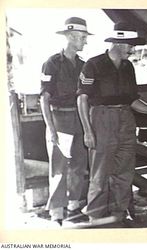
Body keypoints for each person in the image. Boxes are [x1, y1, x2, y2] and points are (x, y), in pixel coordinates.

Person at [77, 21, 147, 223]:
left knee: (124, 172)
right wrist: (88, 131)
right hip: (102, 119)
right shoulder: (93, 64)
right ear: (118, 43)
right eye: (130, 45)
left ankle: (118, 214)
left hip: (126, 120)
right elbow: (82, 98)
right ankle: (96, 217)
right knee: (100, 174)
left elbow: (132, 100)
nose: (133, 49)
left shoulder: (128, 67)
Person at [40, 17, 92, 226]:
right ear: (70, 37)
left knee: (79, 166)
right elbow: (44, 98)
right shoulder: (51, 63)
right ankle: (56, 213)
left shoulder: (84, 65)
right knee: (59, 169)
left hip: (79, 119)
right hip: (59, 119)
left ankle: (73, 207)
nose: (85, 42)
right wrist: (51, 128)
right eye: (82, 37)